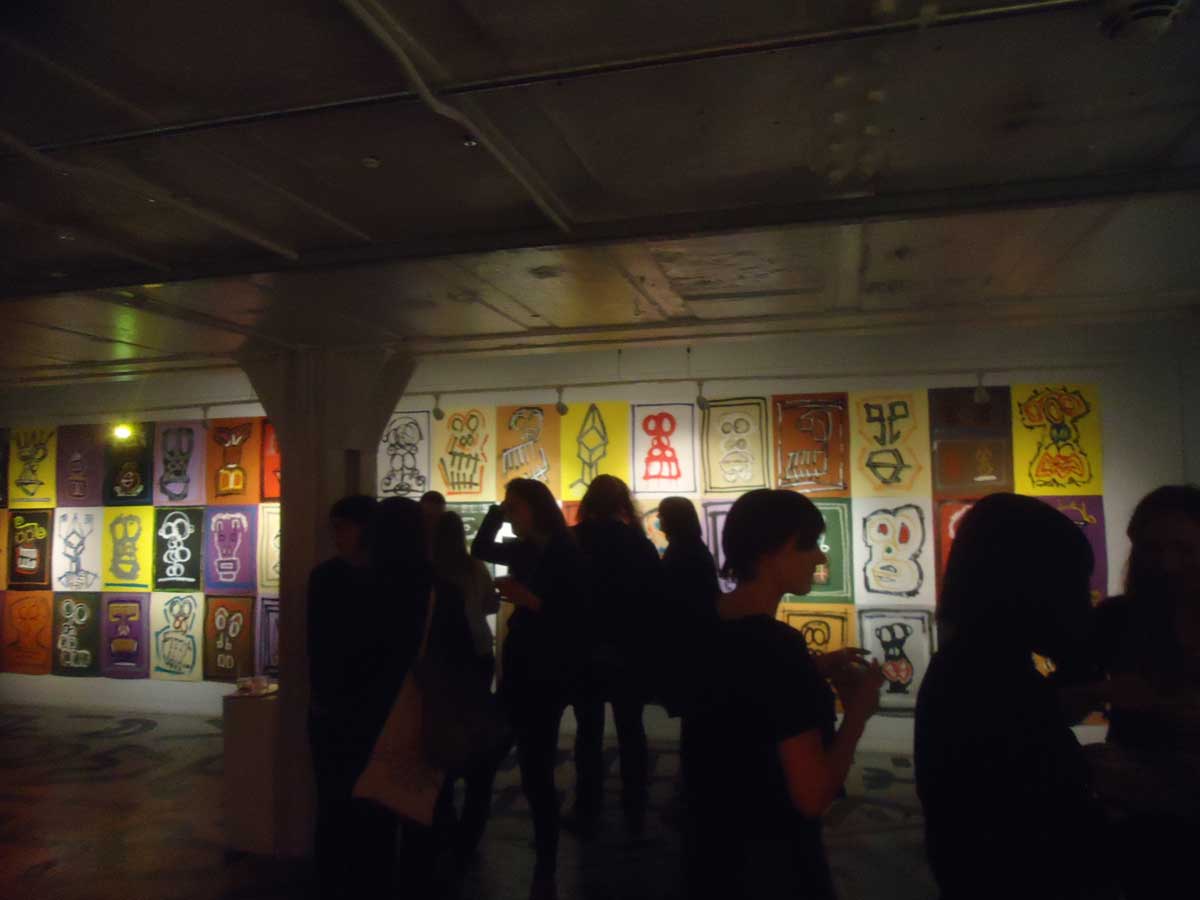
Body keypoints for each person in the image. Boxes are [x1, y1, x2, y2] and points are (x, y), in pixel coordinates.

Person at [681, 489, 883, 900]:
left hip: (711, 855)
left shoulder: (704, 622)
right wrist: (858, 714)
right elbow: (812, 795)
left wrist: (812, 670)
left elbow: (741, 701)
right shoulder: (778, 649)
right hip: (774, 865)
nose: (820, 557)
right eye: (808, 544)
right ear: (769, 553)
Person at [915, 493, 1117, 900]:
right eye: (1073, 584)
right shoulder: (986, 679)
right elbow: (1037, 828)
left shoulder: (974, 665)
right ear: (1030, 586)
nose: (1085, 601)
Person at [471, 479, 592, 900]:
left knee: (533, 766)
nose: (511, 514)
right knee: (500, 756)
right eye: (507, 507)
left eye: (514, 507)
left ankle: (545, 857)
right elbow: (481, 549)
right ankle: (478, 841)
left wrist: (528, 598)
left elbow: (576, 614)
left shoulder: (565, 551)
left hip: (547, 672)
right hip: (522, 667)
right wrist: (495, 512)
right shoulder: (526, 548)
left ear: (535, 509)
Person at [1090, 484, 1200, 900]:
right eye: (1153, 549)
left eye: (1184, 549)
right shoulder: (1116, 618)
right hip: (1139, 812)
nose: (1167, 564)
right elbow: (1062, 700)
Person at [307, 495, 397, 899]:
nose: (336, 535)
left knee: (357, 804)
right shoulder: (336, 577)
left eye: (342, 526)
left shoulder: (332, 578)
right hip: (349, 708)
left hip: (359, 709)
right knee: (341, 804)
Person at [568, 475, 664, 838]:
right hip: (629, 650)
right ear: (622, 503)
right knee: (631, 730)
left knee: (588, 732)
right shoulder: (637, 543)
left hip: (584, 648)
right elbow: (654, 598)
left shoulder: (575, 540)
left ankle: (587, 807)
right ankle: (634, 808)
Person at [431, 510, 504, 859]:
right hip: (478, 652)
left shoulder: (431, 571)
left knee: (441, 727)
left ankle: (442, 809)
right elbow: (490, 606)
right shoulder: (475, 567)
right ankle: (470, 826)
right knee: (475, 724)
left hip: (444, 659)